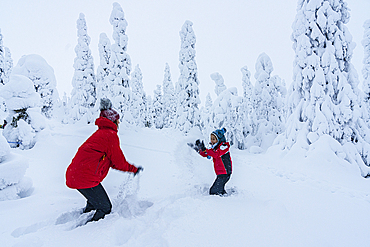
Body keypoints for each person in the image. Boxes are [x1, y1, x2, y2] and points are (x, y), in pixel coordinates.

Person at [65, 98, 143, 222]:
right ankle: (87, 231)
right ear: (113, 121)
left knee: (94, 202)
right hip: (84, 178)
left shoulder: (101, 133)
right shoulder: (109, 136)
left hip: (77, 175)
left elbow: (112, 162)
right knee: (105, 208)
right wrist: (133, 169)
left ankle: (88, 212)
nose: (119, 123)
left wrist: (130, 169)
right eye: (118, 120)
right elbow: (118, 162)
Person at [193, 128, 232, 196]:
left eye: (214, 139)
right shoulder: (215, 148)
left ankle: (222, 202)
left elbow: (216, 154)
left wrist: (206, 150)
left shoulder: (224, 147)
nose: (212, 141)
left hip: (225, 174)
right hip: (220, 174)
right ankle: (224, 194)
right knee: (219, 189)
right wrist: (200, 150)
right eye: (211, 139)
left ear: (219, 139)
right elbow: (207, 154)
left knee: (213, 191)